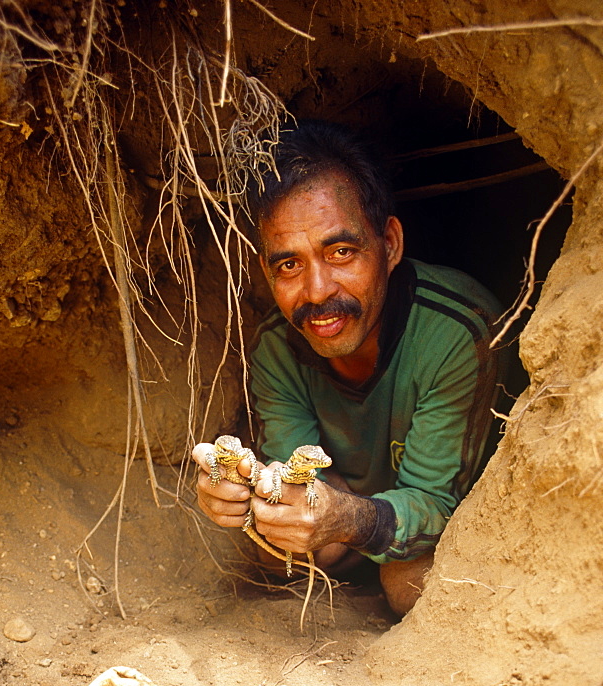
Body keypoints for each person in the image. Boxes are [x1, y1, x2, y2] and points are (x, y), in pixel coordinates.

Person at [193, 120, 501, 617]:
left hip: (442, 523)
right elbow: (294, 487)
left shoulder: (456, 331)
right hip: (353, 512)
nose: (316, 291)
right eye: (289, 265)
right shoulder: (276, 345)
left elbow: (439, 506)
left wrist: (350, 519)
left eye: (340, 252)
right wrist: (244, 498)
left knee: (409, 582)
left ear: (390, 244)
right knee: (286, 552)